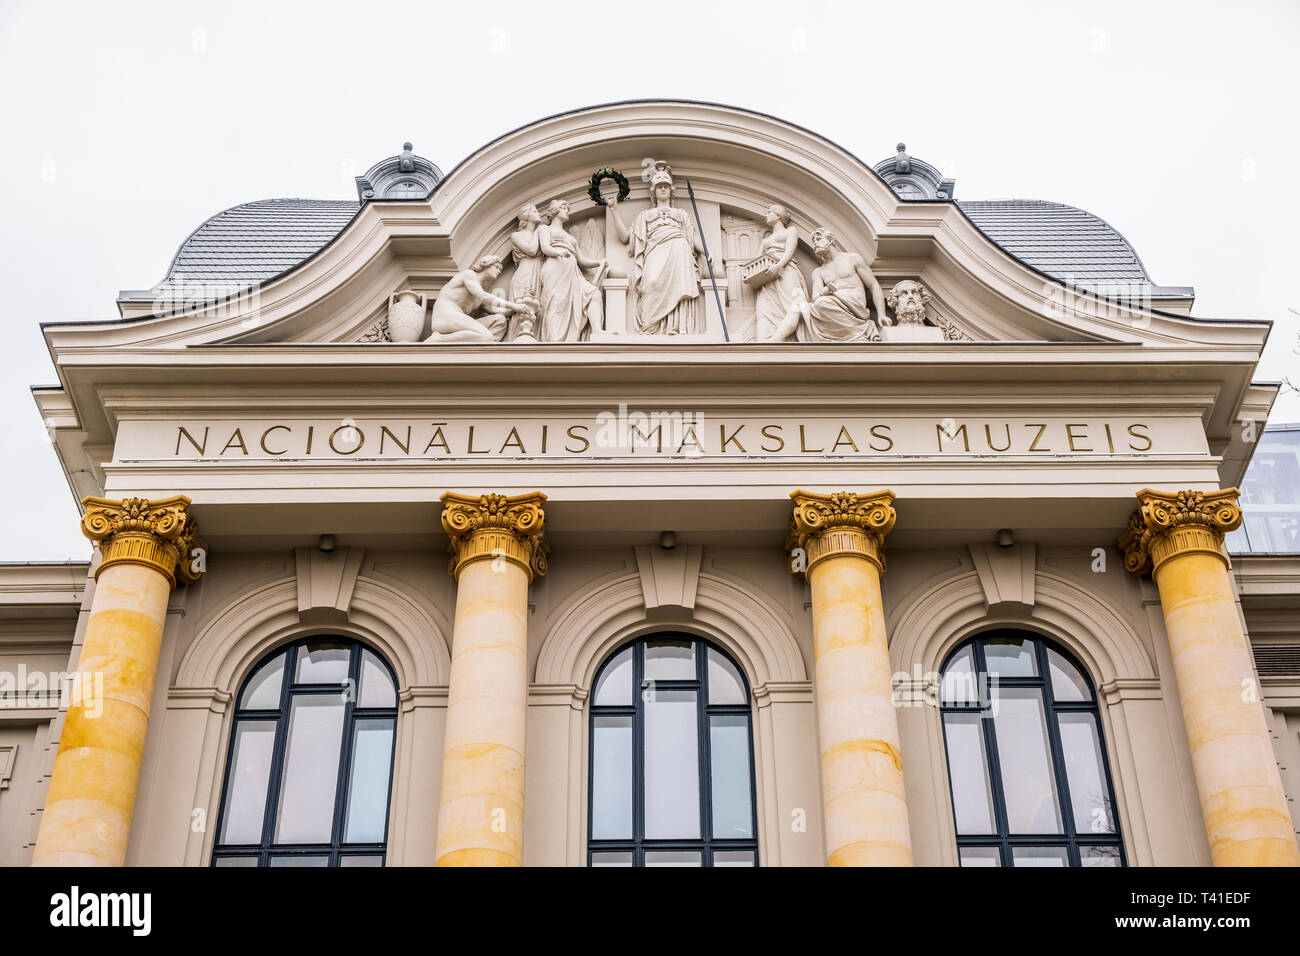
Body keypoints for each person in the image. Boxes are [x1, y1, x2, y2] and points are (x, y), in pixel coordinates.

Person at [606, 160, 704, 335]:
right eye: (659, 186)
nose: (663, 189)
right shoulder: (645, 216)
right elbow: (626, 238)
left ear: (671, 190)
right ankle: (651, 328)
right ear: (654, 191)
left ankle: (674, 327)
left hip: (679, 250)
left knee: (679, 288)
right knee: (650, 281)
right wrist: (614, 212)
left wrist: (706, 251)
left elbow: (692, 238)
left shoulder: (681, 215)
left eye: (666, 185)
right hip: (655, 252)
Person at [766, 228, 889, 343]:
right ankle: (775, 340)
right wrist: (823, 291)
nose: (815, 244)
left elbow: (874, 285)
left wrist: (881, 314)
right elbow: (815, 296)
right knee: (798, 306)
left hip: (854, 305)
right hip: (829, 304)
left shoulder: (852, 259)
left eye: (819, 239)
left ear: (830, 240)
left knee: (822, 303)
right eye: (814, 242)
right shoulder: (818, 272)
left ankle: (855, 327)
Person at [537, 199, 606, 342]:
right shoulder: (545, 229)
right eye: (563, 208)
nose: (567, 210)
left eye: (567, 208)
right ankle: (554, 340)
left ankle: (598, 331)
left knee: (594, 294)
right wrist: (559, 253)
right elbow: (545, 247)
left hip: (572, 271)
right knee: (556, 303)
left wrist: (599, 262)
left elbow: (582, 260)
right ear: (554, 210)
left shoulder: (570, 237)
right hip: (555, 268)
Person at [424, 255, 531, 344]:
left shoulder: (478, 295)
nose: (499, 271)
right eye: (497, 267)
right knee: (486, 336)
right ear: (486, 263)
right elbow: (484, 296)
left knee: (499, 320)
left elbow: (499, 311)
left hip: (457, 320)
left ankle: (481, 348)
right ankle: (439, 339)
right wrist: (513, 305)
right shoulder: (469, 275)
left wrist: (519, 307)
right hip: (445, 316)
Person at [752, 204, 808, 341]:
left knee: (793, 304)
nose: (766, 214)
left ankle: (780, 338)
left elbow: (790, 250)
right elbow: (757, 260)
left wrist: (779, 265)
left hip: (786, 270)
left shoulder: (790, 231)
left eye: (769, 212)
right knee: (763, 308)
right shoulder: (765, 241)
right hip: (768, 275)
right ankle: (765, 340)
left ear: (778, 215)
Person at [507, 202, 545, 340]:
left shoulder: (539, 233)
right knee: (522, 308)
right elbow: (531, 250)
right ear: (527, 216)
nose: (539, 213)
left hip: (537, 271)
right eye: (535, 211)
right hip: (525, 272)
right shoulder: (516, 235)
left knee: (537, 310)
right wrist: (538, 232)